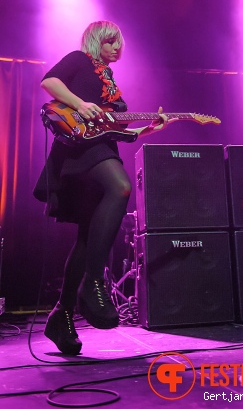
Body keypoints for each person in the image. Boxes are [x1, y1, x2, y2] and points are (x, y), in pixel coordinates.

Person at [33, 20, 168, 355]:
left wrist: (150, 129)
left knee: (86, 236)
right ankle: (94, 283)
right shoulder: (79, 60)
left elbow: (117, 129)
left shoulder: (109, 80)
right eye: (110, 42)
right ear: (95, 42)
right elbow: (49, 81)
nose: (116, 49)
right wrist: (79, 104)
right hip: (80, 151)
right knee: (121, 187)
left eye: (119, 44)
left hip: (102, 148)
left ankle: (61, 316)